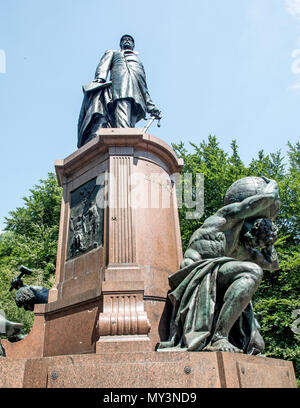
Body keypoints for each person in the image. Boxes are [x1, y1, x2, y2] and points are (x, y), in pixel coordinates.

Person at [157, 176, 280, 354]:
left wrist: (268, 244)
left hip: (216, 275)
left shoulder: (244, 247)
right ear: (251, 226)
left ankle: (225, 334)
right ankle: (219, 337)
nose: (254, 247)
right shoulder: (226, 218)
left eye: (258, 246)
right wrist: (273, 187)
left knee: (256, 345)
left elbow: (271, 264)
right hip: (194, 272)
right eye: (255, 241)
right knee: (252, 271)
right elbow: (253, 204)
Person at [78, 34, 161, 147]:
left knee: (129, 126)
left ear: (133, 45)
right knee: (123, 126)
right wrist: (100, 78)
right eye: (124, 39)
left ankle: (126, 151)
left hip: (137, 98)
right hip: (120, 89)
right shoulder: (114, 53)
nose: (127, 41)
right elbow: (103, 66)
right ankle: (123, 153)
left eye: (130, 40)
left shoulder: (139, 63)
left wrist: (151, 107)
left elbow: (143, 87)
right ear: (120, 44)